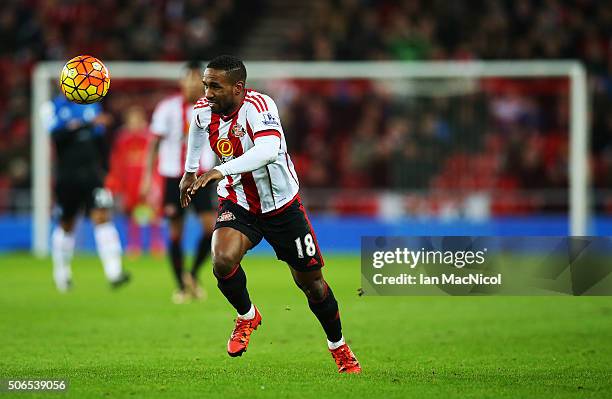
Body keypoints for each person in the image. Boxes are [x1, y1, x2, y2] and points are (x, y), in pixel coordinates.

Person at [180, 55, 361, 373]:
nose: (207, 93)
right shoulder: (203, 111)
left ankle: (339, 347)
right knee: (222, 260)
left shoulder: (260, 107)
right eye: (206, 84)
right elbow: (196, 129)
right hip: (239, 204)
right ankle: (247, 316)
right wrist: (190, 171)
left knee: (313, 285)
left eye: (215, 86)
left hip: (282, 208)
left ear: (238, 88)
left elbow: (268, 150)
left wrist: (219, 171)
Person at [141, 61, 217, 303]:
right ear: (182, 81)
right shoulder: (167, 108)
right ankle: (181, 287)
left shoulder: (213, 108)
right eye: (190, 78)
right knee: (175, 232)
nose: (194, 83)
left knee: (210, 228)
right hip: (173, 175)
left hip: (203, 174)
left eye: (198, 79)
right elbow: (153, 144)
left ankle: (192, 275)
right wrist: (147, 177)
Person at [46, 94, 130, 292]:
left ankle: (114, 272)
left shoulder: (93, 105)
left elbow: (100, 142)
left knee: (102, 217)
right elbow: (56, 137)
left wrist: (107, 171)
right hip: (67, 176)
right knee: (67, 223)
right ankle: (62, 273)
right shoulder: (52, 107)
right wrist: (87, 124)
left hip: (93, 176)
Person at [106, 106, 164, 257]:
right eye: (132, 121)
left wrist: (155, 180)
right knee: (132, 214)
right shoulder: (122, 139)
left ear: (143, 121)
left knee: (154, 213)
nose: (135, 125)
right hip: (130, 182)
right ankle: (134, 246)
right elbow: (117, 162)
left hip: (147, 180)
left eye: (137, 121)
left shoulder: (149, 138)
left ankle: (157, 245)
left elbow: (156, 159)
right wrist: (117, 183)